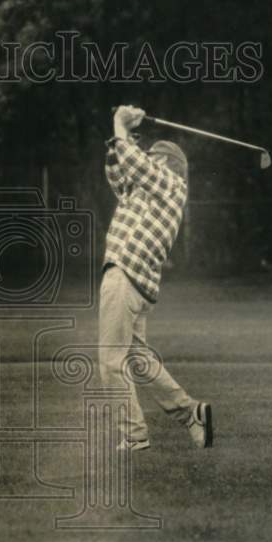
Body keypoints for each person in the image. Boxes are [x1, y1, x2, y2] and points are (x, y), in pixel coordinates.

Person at [100, 104, 213, 451]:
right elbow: (118, 174)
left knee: (110, 361)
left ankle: (134, 435)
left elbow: (136, 164)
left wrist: (119, 123)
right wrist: (123, 135)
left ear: (163, 163)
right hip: (135, 282)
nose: (144, 159)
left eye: (151, 157)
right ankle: (191, 412)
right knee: (138, 359)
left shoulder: (170, 183)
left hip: (125, 276)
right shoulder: (145, 191)